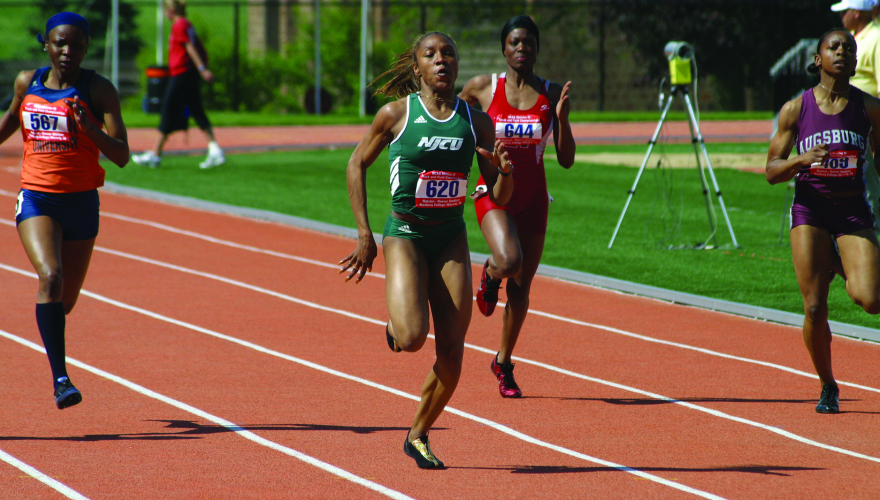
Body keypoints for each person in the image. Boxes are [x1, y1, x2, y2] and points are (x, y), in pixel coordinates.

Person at [339, 31, 513, 468]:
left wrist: (505, 174)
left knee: (453, 351)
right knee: (414, 338)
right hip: (406, 235)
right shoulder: (396, 114)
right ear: (416, 67)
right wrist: (365, 234)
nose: (442, 61)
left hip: (450, 237)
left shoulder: (477, 122)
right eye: (431, 55)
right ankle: (397, 328)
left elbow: (500, 195)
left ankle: (417, 434)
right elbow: (356, 163)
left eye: (449, 53)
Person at [0, 12, 129, 409]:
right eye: (59, 43)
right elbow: (7, 125)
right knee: (50, 276)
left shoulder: (99, 89)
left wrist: (90, 129)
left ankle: (51, 333)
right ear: (47, 44)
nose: (67, 51)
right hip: (38, 197)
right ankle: (61, 380)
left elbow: (122, 155)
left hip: (82, 202)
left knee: (63, 301)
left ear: (87, 47)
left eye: (76, 44)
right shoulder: (28, 82)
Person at [458, 15, 574, 398]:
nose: (522, 48)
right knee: (510, 261)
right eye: (514, 42)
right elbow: (449, 120)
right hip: (492, 190)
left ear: (537, 49)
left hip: (533, 198)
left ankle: (503, 362)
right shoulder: (483, 88)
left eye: (528, 42)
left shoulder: (551, 92)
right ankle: (491, 275)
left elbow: (567, 160)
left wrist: (563, 121)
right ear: (504, 49)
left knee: (522, 292)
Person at [766, 29, 880, 414]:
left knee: (870, 299)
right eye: (834, 47)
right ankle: (828, 385)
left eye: (849, 48)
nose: (842, 52)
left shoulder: (869, 108)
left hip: (851, 211)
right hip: (811, 210)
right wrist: (800, 160)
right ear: (818, 60)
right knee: (815, 307)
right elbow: (771, 171)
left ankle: (836, 259)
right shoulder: (795, 109)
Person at [131, 0, 223, 169]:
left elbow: (190, 48)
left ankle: (156, 155)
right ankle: (214, 149)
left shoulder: (179, 25)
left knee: (168, 109)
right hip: (186, 74)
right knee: (196, 110)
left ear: (170, 11)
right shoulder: (186, 24)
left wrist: (202, 69)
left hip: (182, 74)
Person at [833, 0, 880, 223]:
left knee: (867, 176)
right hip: (849, 121)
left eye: (844, 11)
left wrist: (875, 127)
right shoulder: (855, 38)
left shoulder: (876, 37)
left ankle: (871, 224)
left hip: (866, 122)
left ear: (856, 13)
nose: (842, 17)